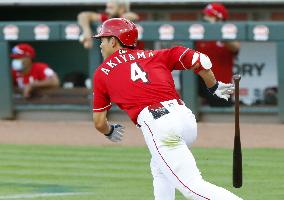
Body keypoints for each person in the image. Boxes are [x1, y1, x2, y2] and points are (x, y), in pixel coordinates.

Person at [92, 18, 242, 200]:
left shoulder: (102, 72)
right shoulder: (155, 55)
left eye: (103, 39)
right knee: (160, 169)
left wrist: (109, 131)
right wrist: (214, 86)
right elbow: (200, 60)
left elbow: (99, 123)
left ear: (114, 41)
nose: (100, 44)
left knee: (192, 187)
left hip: (160, 125)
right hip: (185, 118)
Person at [195, 3, 240, 107]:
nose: (205, 19)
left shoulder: (229, 32)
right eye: (205, 16)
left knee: (223, 112)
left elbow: (235, 47)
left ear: (219, 18)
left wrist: (218, 30)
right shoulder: (200, 33)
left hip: (221, 84)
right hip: (203, 81)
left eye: (209, 16)